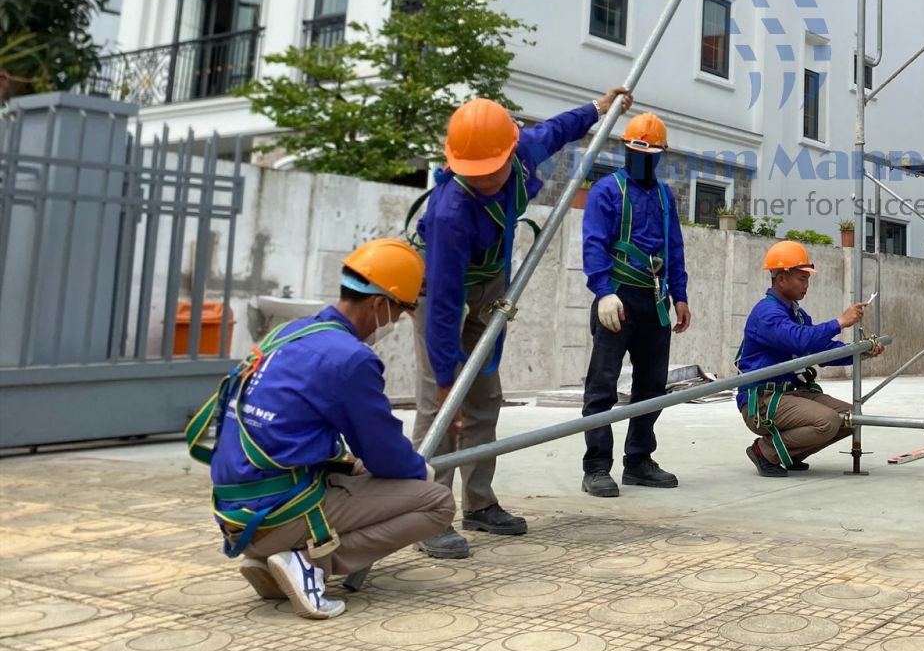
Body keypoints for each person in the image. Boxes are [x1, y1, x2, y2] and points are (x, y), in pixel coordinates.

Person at [411, 88, 632, 558]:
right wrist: (448, 376)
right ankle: (426, 517)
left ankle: (479, 504)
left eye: (492, 168)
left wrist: (597, 107)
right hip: (440, 293)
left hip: (491, 281)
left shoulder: (523, 151)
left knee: (486, 397)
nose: (485, 178)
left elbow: (558, 130)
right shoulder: (450, 210)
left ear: (510, 151)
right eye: (474, 172)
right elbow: (446, 305)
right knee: (440, 407)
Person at [186, 238, 453, 621]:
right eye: (400, 310)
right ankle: (309, 560)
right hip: (277, 511)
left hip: (235, 510)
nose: (395, 322)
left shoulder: (288, 335)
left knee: (356, 468)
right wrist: (416, 471)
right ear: (380, 304)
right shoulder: (350, 359)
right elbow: (384, 452)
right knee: (435, 500)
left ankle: (270, 558)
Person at [578, 111, 690, 496]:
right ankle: (596, 466)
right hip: (618, 299)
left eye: (649, 152)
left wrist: (681, 296)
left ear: (660, 155)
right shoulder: (607, 191)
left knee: (652, 385)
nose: (642, 159)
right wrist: (603, 292)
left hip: (654, 301)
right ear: (626, 150)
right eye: (636, 151)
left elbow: (673, 247)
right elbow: (594, 243)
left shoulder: (663, 196)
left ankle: (638, 460)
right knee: (602, 386)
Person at [734, 240, 883, 477]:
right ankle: (766, 451)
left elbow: (819, 351)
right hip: (763, 399)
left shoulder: (797, 314)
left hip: (788, 393)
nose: (806, 285)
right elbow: (800, 341)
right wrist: (839, 322)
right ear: (781, 278)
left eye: (807, 280)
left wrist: (861, 352)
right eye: (801, 279)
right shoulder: (766, 313)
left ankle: (788, 453)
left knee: (853, 417)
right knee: (827, 421)